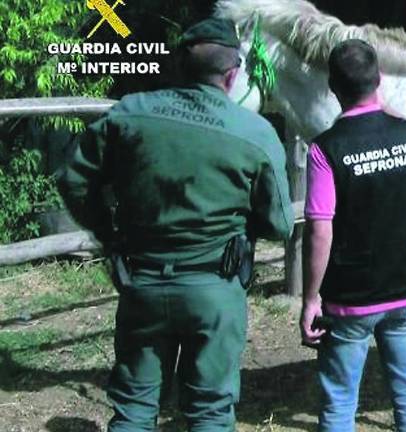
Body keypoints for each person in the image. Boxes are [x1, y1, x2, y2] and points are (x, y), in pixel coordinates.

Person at [57, 18, 294, 432]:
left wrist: (109, 236)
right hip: (215, 289)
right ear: (233, 73)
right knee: (210, 412)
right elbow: (280, 224)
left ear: (179, 64)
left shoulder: (130, 113)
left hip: (142, 282)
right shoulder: (254, 132)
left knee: (133, 408)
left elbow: (74, 179)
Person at [300, 39, 406, 432]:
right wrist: (385, 108)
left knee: (341, 399)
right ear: (378, 80)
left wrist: (311, 298)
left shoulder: (325, 150)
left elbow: (319, 228)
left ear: (332, 87)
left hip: (351, 295)